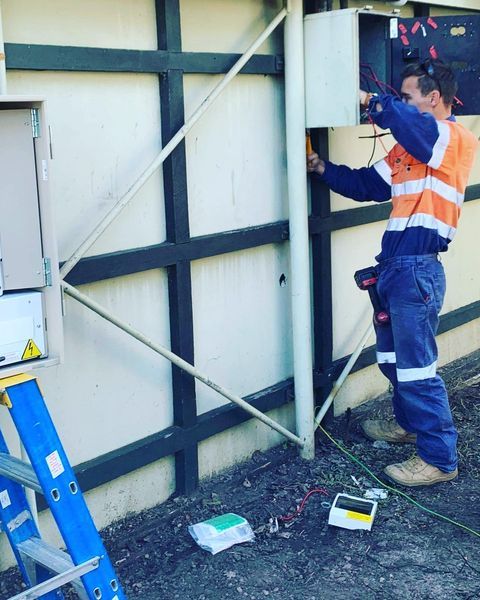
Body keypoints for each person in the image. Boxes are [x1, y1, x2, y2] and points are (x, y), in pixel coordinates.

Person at [307, 59, 478, 487]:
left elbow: (414, 129)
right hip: (395, 269)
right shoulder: (408, 147)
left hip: (418, 268)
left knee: (417, 368)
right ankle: (409, 424)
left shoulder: (452, 138)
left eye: (407, 97)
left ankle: (439, 459)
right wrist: (320, 168)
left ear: (433, 98)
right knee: (393, 361)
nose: (399, 104)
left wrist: (371, 101)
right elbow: (368, 185)